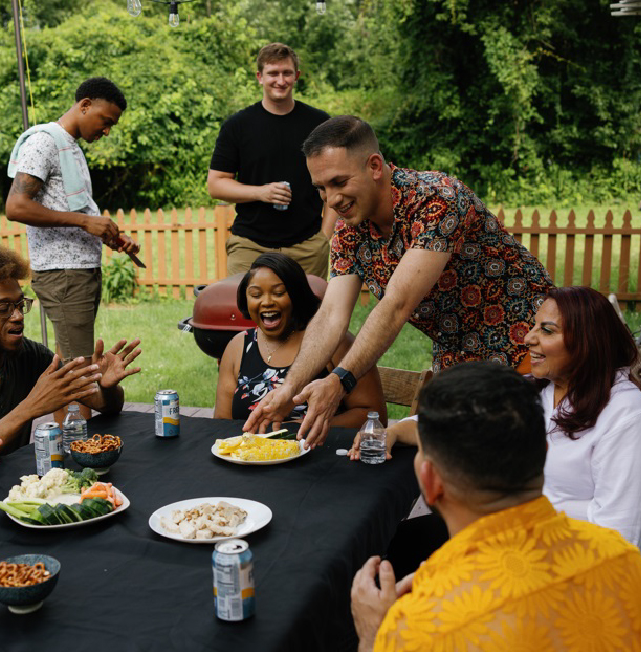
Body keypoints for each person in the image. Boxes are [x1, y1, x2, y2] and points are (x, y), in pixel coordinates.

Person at [245, 115, 554, 445]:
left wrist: (339, 381)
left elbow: (396, 305)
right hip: (458, 356)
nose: (331, 199)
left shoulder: (437, 200)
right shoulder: (348, 232)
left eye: (339, 182)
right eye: (321, 188)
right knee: (461, 468)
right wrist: (288, 389)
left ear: (374, 166)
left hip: (528, 342)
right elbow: (331, 316)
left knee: (522, 463)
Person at [350, 362, 641, 652]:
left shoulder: (419, 626)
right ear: (543, 455)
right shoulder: (630, 566)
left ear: (431, 483)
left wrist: (373, 639)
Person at [353, 286, 641, 550]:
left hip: (569, 567)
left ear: (588, 342)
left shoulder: (625, 415)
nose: (528, 339)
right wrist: (394, 432)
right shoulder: (540, 391)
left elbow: (622, 532)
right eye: (534, 326)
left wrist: (515, 513)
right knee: (377, 546)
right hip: (504, 537)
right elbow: (457, 423)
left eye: (547, 330)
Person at [0, 242, 141, 452]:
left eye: (20, 304)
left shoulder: (32, 356)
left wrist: (107, 387)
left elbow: (106, 406)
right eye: (3, 308)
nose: (18, 316)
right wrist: (30, 407)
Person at [5, 76, 140, 382]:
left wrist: (110, 235)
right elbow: (16, 207)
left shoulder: (71, 147)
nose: (106, 131)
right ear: (85, 105)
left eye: (112, 126)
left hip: (78, 271)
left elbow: (70, 210)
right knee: (77, 372)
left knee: (71, 365)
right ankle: (77, 431)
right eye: (104, 121)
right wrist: (85, 221)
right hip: (63, 274)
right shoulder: (44, 142)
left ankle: (73, 428)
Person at [207, 42, 336, 279]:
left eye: (287, 73)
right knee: (246, 312)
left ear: (296, 76)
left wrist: (324, 238)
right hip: (249, 245)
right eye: (273, 73)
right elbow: (215, 184)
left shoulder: (319, 124)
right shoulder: (237, 126)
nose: (280, 80)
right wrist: (260, 193)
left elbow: (336, 181)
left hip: (307, 247)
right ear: (259, 77)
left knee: (308, 316)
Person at [214, 252, 386, 429]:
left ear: (297, 296)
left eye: (278, 293)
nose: (266, 302)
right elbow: (221, 423)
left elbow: (374, 415)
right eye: (256, 295)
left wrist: (304, 427)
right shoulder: (237, 347)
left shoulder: (333, 342)